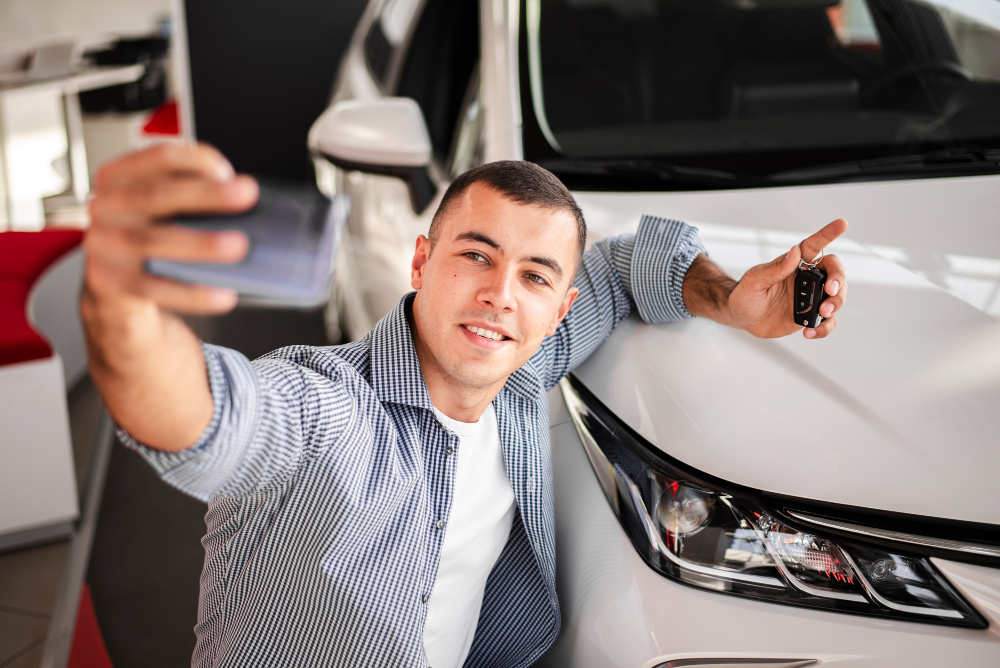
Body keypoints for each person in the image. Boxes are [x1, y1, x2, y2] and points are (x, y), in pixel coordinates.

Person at [81, 144, 848, 668]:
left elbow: (621, 264)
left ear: (560, 308)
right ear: (422, 261)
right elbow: (209, 418)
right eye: (475, 255)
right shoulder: (327, 409)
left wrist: (729, 301)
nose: (498, 294)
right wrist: (120, 308)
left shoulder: (520, 370)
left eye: (535, 277)